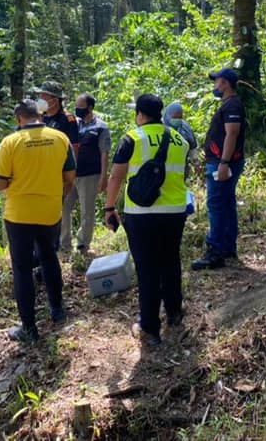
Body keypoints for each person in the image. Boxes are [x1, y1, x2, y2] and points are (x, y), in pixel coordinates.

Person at [104, 94, 189, 346]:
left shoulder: (132, 138)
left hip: (141, 215)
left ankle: (149, 327)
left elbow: (116, 177)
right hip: (174, 211)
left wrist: (110, 207)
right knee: (171, 260)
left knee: (147, 268)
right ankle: (174, 312)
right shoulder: (179, 139)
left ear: (140, 114)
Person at [0, 98, 75, 344]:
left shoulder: (10, 142)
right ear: (40, 115)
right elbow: (70, 178)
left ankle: (29, 328)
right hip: (50, 210)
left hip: (19, 214)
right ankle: (57, 310)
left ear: (19, 119)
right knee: (49, 257)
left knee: (22, 268)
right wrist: (56, 195)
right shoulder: (60, 138)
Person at [191, 68, 246, 271]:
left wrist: (223, 162)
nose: (215, 85)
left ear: (225, 83)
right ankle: (226, 247)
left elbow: (231, 134)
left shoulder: (232, 105)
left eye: (217, 81)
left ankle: (215, 252)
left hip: (223, 163)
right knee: (226, 202)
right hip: (223, 162)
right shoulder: (229, 104)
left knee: (216, 204)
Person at [34, 81, 79, 251]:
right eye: (40, 96)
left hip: (59, 173)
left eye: (44, 96)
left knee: (59, 211)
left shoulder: (67, 119)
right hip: (39, 173)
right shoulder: (39, 118)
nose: (41, 99)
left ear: (55, 99)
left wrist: (69, 174)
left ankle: (58, 245)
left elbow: (73, 148)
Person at [64, 93, 110, 254]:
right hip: (71, 175)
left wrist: (104, 177)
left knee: (87, 212)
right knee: (63, 208)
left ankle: (83, 245)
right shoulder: (73, 124)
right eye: (76, 106)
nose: (77, 110)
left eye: (80, 107)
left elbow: (104, 153)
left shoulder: (101, 127)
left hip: (90, 175)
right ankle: (64, 244)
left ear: (90, 107)